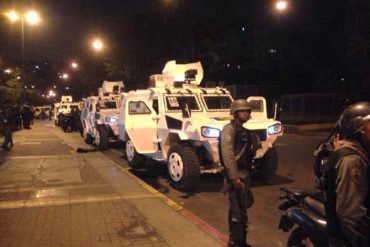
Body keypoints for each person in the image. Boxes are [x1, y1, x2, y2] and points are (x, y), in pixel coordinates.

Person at [324, 102, 370, 247]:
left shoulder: (358, 152)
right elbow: (350, 214)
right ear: (360, 129)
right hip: (347, 237)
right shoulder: (351, 160)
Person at [220, 99, 257, 247]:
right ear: (235, 113)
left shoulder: (245, 131)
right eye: (243, 111)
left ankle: (241, 241)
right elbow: (228, 155)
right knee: (237, 212)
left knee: (242, 210)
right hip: (237, 177)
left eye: (248, 111)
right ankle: (235, 242)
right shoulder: (229, 129)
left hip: (245, 175)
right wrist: (234, 177)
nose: (247, 113)